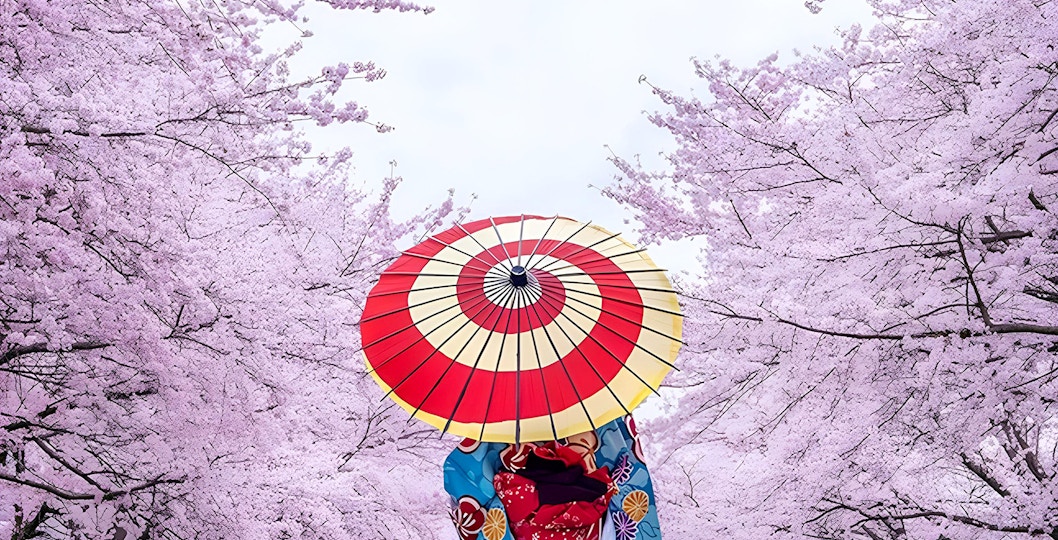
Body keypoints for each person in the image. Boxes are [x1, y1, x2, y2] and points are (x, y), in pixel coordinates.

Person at [444, 416, 662, 540]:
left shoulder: (492, 425)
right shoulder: (605, 413)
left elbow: (466, 488)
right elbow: (630, 480)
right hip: (596, 525)